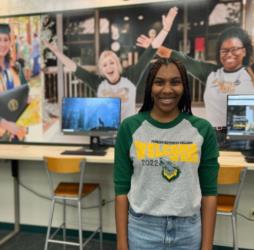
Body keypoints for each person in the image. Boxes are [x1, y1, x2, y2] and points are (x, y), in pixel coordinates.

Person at [114, 57, 219, 250]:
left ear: (184, 87)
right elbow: (121, 191)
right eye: (159, 82)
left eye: (175, 82)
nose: (167, 89)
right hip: (142, 230)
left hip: (188, 231)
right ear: (149, 87)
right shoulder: (130, 128)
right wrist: (121, 244)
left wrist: (207, 246)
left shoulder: (202, 130)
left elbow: (209, 193)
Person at [44, 7, 178, 120]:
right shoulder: (97, 83)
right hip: (106, 131)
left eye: (111, 62)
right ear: (102, 70)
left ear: (117, 64)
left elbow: (151, 51)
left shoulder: (130, 77)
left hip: (126, 132)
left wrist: (165, 29)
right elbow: (74, 67)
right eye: (104, 65)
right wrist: (56, 52)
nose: (108, 67)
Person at [137, 25, 254, 129]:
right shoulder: (211, 73)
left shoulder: (250, 73)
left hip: (244, 137)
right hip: (214, 136)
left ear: (244, 51)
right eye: (224, 50)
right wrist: (154, 48)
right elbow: (182, 59)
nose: (229, 54)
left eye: (234, 49)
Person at [0, 23, 27, 141]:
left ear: (10, 42)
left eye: (6, 39)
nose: (2, 44)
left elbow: (24, 95)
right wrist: (5, 124)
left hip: (18, 134)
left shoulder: (16, 68)